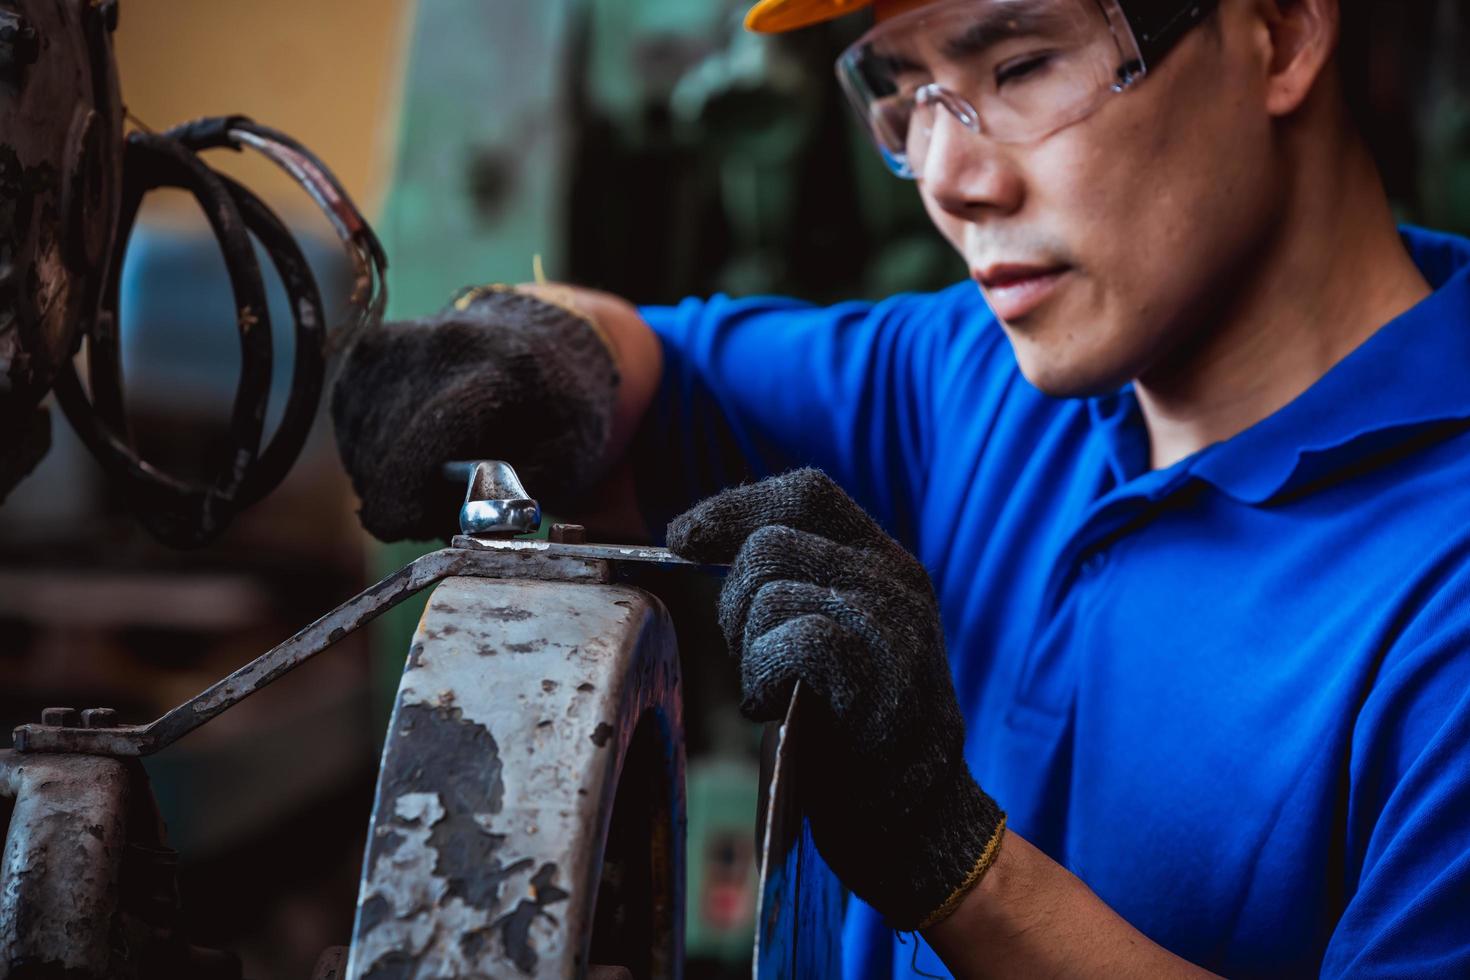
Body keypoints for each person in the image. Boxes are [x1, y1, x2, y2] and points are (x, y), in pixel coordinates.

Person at [330, 0, 1470, 975]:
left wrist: (956, 864)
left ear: (1279, 31)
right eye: (904, 90)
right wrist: (532, 357)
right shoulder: (976, 376)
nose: (949, 177)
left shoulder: (1442, 585)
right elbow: (648, 376)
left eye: (1020, 66)